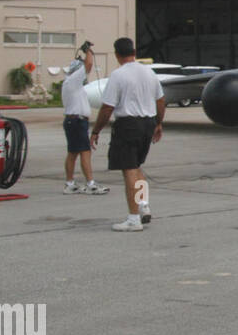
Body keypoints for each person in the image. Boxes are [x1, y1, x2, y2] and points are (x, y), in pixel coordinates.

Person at [90, 37, 165, 232]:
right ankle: (143, 205)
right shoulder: (149, 73)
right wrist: (158, 123)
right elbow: (160, 100)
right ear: (134, 52)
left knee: (129, 169)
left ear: (117, 54)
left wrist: (96, 130)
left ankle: (133, 219)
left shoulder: (118, 75)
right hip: (148, 123)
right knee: (137, 167)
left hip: (128, 124)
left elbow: (107, 107)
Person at [60, 45, 108, 195]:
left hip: (73, 121)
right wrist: (88, 51)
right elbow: (88, 65)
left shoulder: (70, 84)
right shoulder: (73, 81)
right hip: (77, 122)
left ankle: (70, 183)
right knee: (85, 152)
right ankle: (91, 184)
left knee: (73, 153)